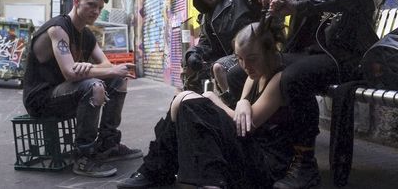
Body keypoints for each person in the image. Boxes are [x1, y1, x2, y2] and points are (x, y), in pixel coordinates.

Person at [254, 0, 388, 188]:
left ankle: (305, 165)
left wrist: (301, 4)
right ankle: (274, 154)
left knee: (295, 77)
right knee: (248, 67)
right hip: (307, 55)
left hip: (345, 58)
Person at [117, 17, 293, 189]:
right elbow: (242, 103)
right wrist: (243, 103)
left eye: (252, 58)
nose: (245, 65)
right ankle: (160, 171)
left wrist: (213, 98)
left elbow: (247, 125)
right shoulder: (256, 73)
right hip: (248, 149)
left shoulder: (278, 79)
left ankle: (159, 171)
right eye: (240, 58)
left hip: (263, 166)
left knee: (193, 106)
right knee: (184, 100)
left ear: (269, 51)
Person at [22, 0, 142, 177]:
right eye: (91, 6)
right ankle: (84, 157)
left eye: (99, 8)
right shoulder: (58, 29)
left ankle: (108, 144)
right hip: (41, 99)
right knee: (94, 86)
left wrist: (89, 68)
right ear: (76, 3)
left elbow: (105, 64)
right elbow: (70, 73)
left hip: (66, 93)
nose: (96, 11)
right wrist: (95, 71)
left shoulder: (86, 35)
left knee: (118, 79)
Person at [182, 0, 261, 107]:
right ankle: (198, 110)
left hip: (253, 52)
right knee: (190, 71)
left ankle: (234, 109)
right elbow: (206, 44)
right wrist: (193, 54)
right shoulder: (206, 18)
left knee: (219, 67)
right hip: (229, 57)